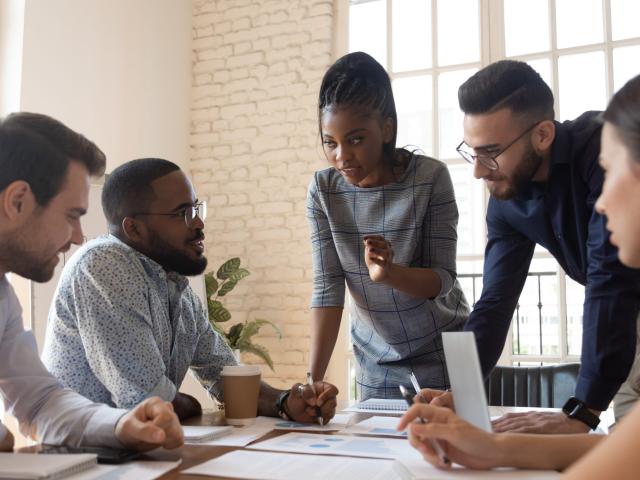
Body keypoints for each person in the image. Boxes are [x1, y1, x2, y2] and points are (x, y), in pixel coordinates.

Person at [398, 74, 640, 479]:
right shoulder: (506, 199)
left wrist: (582, 410)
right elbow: (494, 301)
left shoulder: (600, 145)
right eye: (472, 152)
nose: (477, 171)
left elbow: (609, 279)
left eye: (491, 152)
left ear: (543, 134)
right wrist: (462, 392)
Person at [42, 158, 338, 424]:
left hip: (137, 455)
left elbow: (227, 378)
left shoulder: (175, 286)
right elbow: (149, 402)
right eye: (182, 213)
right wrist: (190, 404)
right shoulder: (103, 265)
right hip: (81, 461)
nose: (198, 223)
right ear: (134, 229)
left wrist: (285, 401)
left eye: (197, 208)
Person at [0, 112, 183, 452]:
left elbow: (38, 403)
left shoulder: (3, 298)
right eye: (72, 216)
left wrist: (119, 424)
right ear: (18, 201)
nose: (79, 237)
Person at [307, 51, 469, 400]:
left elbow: (443, 279)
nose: (342, 157)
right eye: (330, 143)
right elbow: (327, 290)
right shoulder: (323, 190)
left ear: (386, 128)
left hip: (449, 353)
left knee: (452, 453)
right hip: (376, 362)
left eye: (355, 139)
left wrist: (389, 273)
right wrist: (311, 383)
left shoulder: (429, 178)